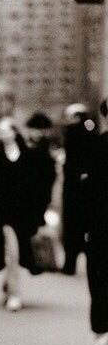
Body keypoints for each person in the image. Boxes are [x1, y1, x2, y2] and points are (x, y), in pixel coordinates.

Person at [0, 117, 42, 312]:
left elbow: (37, 184)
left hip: (24, 213)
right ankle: (15, 295)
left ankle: (8, 282)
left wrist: (39, 210)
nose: (1, 134)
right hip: (3, 214)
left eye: (5, 130)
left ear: (14, 132)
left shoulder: (29, 155)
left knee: (19, 253)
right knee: (12, 253)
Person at [61, 103, 98, 275]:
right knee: (86, 226)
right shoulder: (91, 132)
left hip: (73, 186)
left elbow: (71, 161)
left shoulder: (72, 133)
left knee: (71, 227)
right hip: (87, 186)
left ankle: (70, 264)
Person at [87, 99, 108, 345]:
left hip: (101, 235)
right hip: (102, 235)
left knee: (103, 294)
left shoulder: (97, 147)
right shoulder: (98, 147)